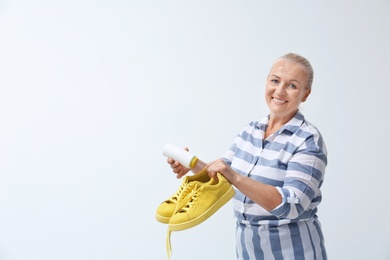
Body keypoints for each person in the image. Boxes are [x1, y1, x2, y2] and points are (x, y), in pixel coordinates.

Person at [167, 53, 328, 260]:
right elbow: (222, 174)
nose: (279, 90)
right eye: (275, 81)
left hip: (293, 253)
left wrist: (236, 177)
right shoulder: (251, 130)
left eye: (292, 85)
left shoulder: (307, 140)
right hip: (249, 251)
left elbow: (293, 205)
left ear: (305, 94)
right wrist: (192, 165)